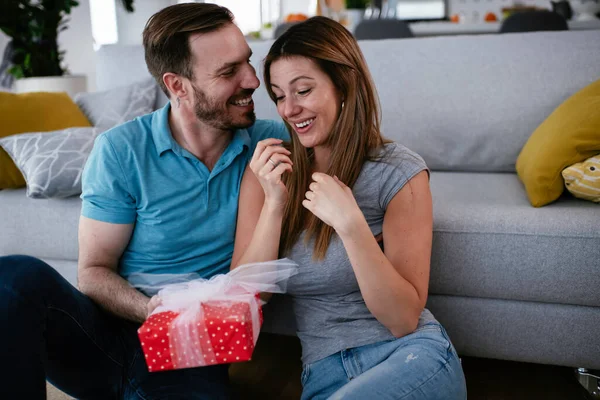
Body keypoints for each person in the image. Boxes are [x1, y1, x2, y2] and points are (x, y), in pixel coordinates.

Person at [0, 3, 288, 399]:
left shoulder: (269, 144)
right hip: (104, 337)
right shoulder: (121, 150)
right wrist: (151, 311)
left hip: (189, 354)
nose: (253, 80)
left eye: (247, 62)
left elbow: (351, 142)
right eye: (228, 72)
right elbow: (94, 271)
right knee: (13, 279)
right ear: (177, 86)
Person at [231, 17, 467, 399]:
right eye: (278, 95)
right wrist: (275, 204)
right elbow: (245, 299)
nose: (289, 109)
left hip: (409, 356)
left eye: (303, 90)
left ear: (344, 85)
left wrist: (351, 224)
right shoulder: (271, 172)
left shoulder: (399, 172)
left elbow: (403, 318)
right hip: (324, 375)